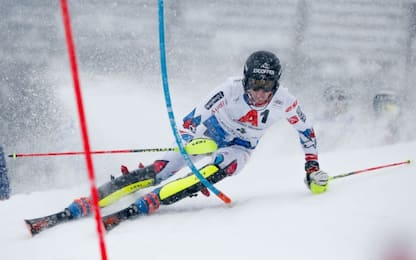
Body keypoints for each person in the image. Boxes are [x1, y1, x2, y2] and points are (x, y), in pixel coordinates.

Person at [27, 51, 329, 232]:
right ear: (246, 79)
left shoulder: (286, 102)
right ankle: (89, 202)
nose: (260, 93)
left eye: (267, 86)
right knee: (161, 167)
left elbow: (306, 131)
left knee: (224, 167)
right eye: (255, 84)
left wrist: (312, 166)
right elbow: (191, 119)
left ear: (276, 83)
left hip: (240, 148)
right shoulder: (229, 90)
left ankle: (155, 199)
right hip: (209, 135)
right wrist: (187, 138)